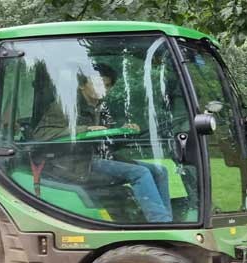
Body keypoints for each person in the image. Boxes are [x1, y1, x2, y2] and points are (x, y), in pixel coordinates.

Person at [32, 63, 173, 223]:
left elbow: (107, 141)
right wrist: (86, 128)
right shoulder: (65, 106)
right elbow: (41, 134)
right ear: (82, 85)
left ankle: (168, 220)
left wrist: (125, 132)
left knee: (160, 171)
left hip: (98, 158)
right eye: (98, 84)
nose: (103, 89)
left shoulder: (101, 108)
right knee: (140, 173)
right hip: (75, 163)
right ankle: (160, 223)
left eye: (107, 85)